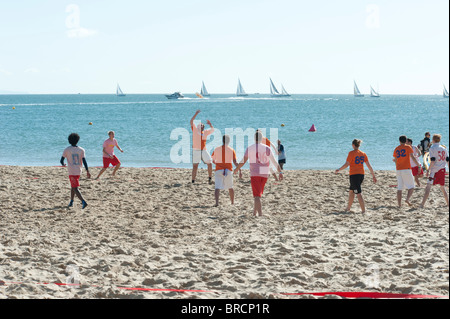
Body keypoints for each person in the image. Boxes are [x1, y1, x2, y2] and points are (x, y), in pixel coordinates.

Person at [234, 131, 283, 217]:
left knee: (257, 196)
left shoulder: (250, 148)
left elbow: (243, 161)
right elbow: (274, 162)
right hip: (264, 172)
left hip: (255, 172)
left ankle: (260, 214)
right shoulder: (267, 148)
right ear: (261, 138)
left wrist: (237, 169)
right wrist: (280, 172)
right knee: (258, 194)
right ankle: (254, 212)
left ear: (254, 138)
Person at [335, 139, 377, 214]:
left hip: (354, 175)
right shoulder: (363, 153)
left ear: (353, 145)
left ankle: (364, 210)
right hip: (361, 175)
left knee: (358, 193)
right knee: (351, 191)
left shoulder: (351, 153)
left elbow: (347, 164)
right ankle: (348, 208)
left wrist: (339, 169)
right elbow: (369, 166)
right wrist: (373, 175)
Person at [60, 133, 91, 209]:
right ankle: (71, 201)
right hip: (78, 171)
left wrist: (63, 164)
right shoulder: (81, 150)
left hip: (72, 171)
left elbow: (61, 160)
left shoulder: (67, 149)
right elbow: (84, 161)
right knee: (73, 186)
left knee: (75, 188)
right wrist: (87, 170)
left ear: (69, 140)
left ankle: (83, 201)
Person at [419, 134, 449, 208]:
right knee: (442, 188)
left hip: (434, 170)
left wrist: (428, 170)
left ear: (433, 140)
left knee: (428, 187)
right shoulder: (444, 148)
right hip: (442, 169)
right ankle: (448, 203)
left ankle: (422, 204)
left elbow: (432, 161)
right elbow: (447, 160)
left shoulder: (432, 148)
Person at [211, 135, 240, 207]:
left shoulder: (217, 149)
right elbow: (235, 162)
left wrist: (217, 163)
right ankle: (232, 202)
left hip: (219, 169)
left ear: (222, 140)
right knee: (230, 187)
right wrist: (239, 169)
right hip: (228, 170)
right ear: (229, 141)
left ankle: (217, 203)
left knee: (217, 187)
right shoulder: (231, 150)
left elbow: (213, 160)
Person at [393, 135, 421, 208]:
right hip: (406, 169)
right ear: (406, 141)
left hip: (398, 169)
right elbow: (413, 157)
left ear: (399, 141)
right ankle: (407, 199)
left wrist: (397, 165)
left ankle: (399, 205)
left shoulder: (396, 148)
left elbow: (395, 160)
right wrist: (418, 165)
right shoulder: (408, 147)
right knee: (411, 187)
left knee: (399, 188)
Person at [190, 110, 214, 184]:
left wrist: (210, 124)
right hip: (196, 150)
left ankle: (210, 178)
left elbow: (213, 130)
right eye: (199, 125)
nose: (200, 125)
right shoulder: (195, 130)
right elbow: (191, 121)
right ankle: (193, 180)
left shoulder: (205, 132)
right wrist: (196, 113)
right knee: (195, 166)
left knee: (210, 163)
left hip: (204, 150)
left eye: (201, 125)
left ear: (203, 127)